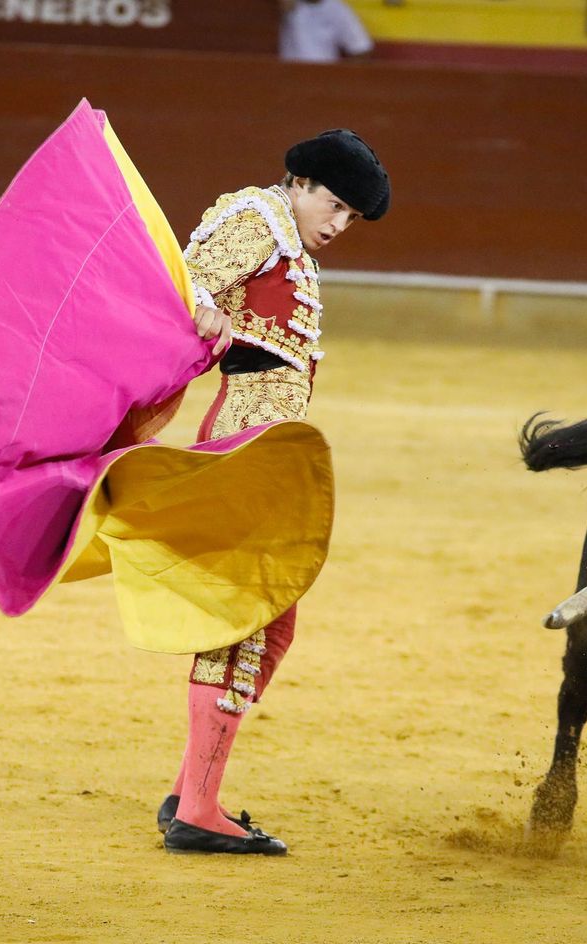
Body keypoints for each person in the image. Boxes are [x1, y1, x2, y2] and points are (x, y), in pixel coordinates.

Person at [161, 129, 390, 855]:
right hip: (245, 440)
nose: (338, 225)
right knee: (247, 619)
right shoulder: (258, 220)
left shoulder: (283, 238)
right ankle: (198, 806)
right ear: (298, 181)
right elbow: (176, 281)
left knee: (273, 622)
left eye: (352, 216)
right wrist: (198, 310)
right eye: (334, 204)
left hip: (265, 445)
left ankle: (191, 788)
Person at [279, 0, 375, 64]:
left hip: (324, 76)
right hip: (288, 75)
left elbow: (360, 49)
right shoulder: (285, 6)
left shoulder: (337, 8)